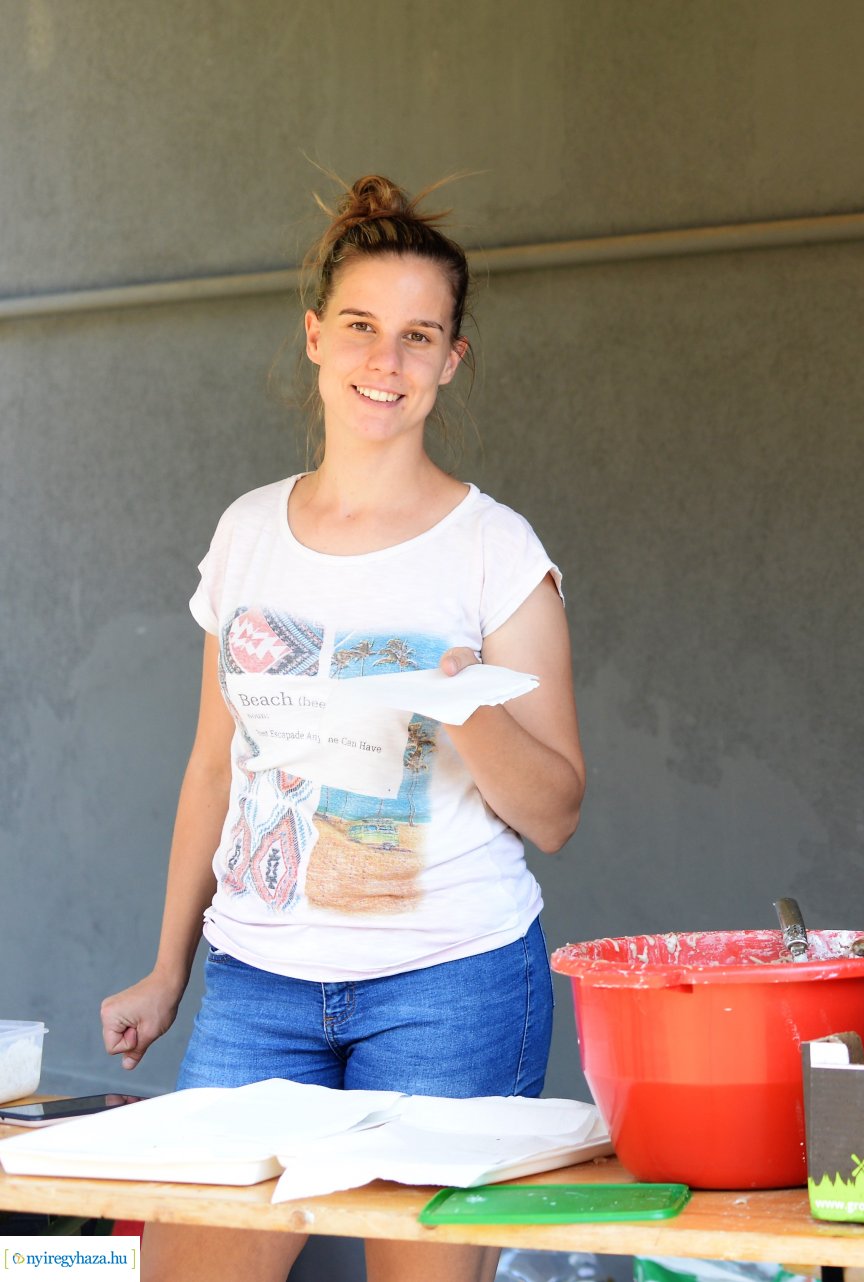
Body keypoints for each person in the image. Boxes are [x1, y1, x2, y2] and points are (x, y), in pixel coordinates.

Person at [98, 176, 586, 1282]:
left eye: (420, 336)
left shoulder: (494, 552)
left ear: (453, 358)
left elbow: (557, 810)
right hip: (258, 980)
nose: (387, 360)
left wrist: (465, 706)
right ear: (316, 337)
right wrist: (167, 970)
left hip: (450, 982)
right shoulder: (245, 535)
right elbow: (213, 765)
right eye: (363, 327)